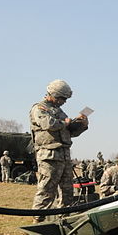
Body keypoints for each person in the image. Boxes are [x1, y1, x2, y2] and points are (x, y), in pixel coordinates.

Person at [29, 79, 89, 218]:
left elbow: (70, 132)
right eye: (63, 98)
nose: (64, 102)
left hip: (64, 156)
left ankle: (64, 220)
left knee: (67, 191)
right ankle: (37, 222)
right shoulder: (39, 108)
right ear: (54, 95)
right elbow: (48, 124)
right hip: (49, 156)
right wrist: (64, 122)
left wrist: (81, 124)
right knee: (46, 191)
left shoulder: (59, 111)